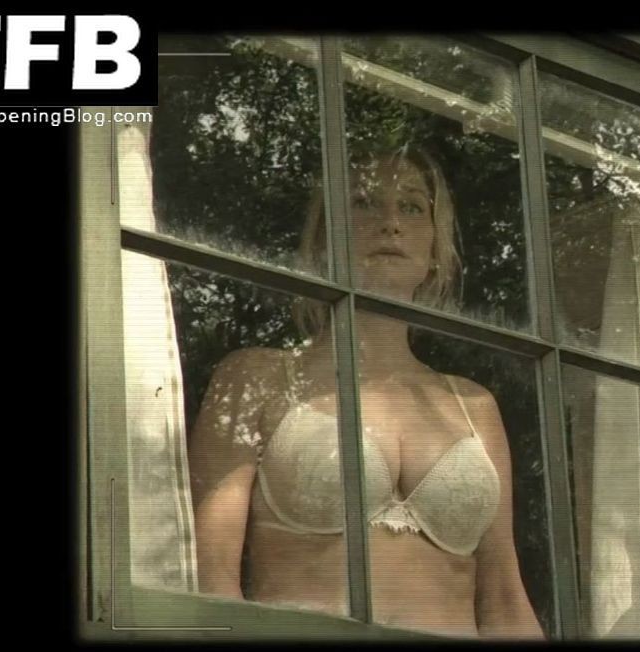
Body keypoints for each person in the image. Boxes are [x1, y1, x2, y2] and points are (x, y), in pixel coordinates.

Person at [187, 145, 545, 639]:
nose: (390, 223)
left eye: (412, 207)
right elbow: (211, 579)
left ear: (435, 253)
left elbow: (505, 601)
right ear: (323, 239)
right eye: (364, 202)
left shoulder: (474, 407)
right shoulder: (256, 378)